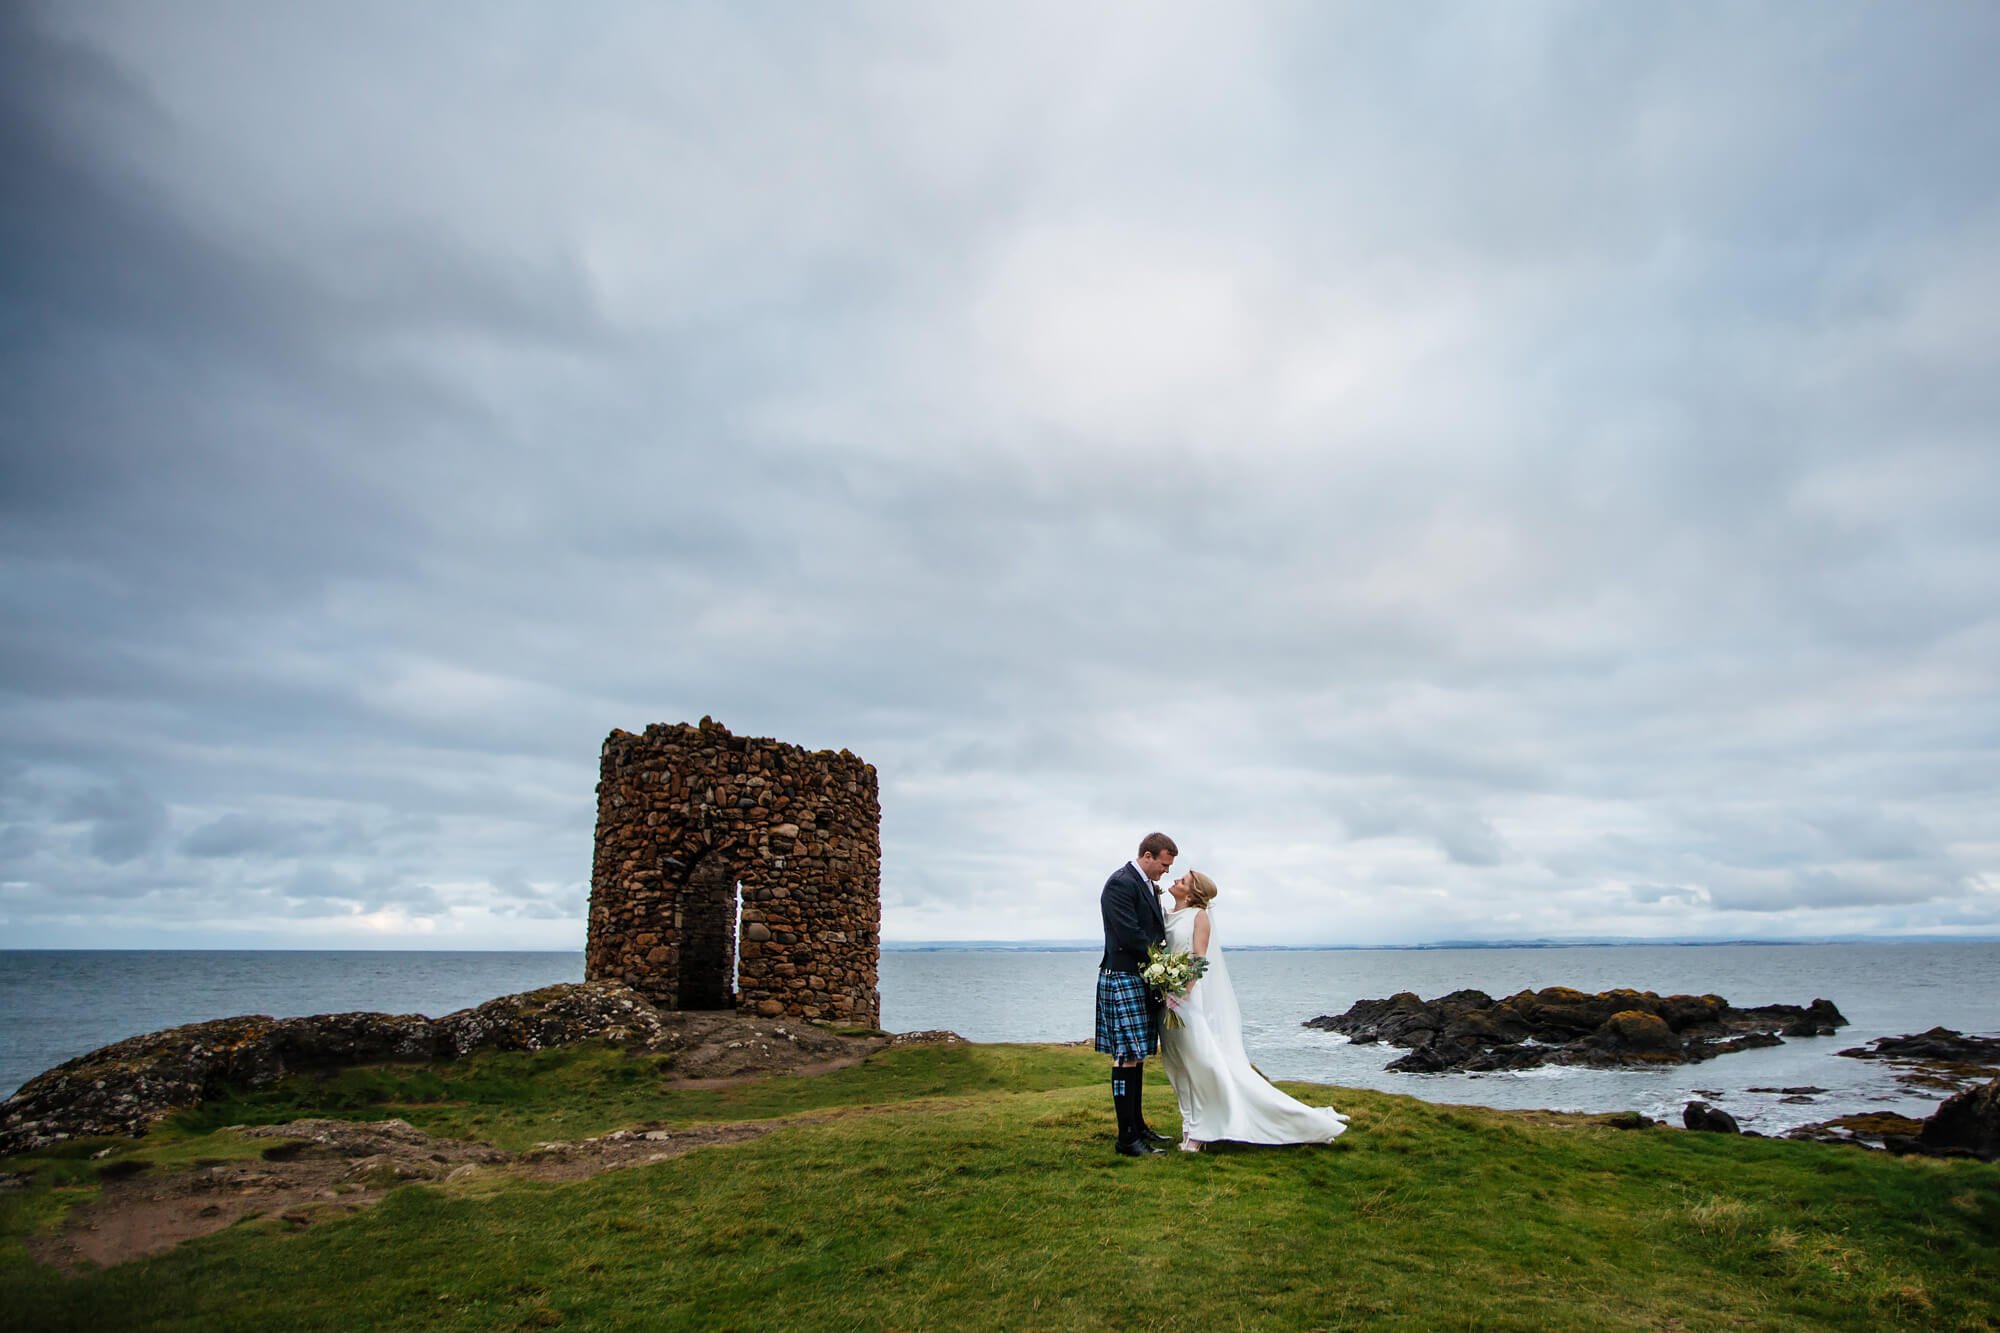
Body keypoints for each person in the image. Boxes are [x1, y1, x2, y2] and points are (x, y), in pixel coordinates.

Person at [1157, 870, 1349, 1151]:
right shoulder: (1167, 913)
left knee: (1203, 1065)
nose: (1175, 881)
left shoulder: (1199, 917)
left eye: (1182, 881)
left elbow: (1199, 959)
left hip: (1185, 1002)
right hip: (1166, 1000)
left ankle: (1203, 1131)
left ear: (1191, 893)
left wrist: (1183, 992)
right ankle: (1190, 1124)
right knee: (1177, 1065)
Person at [1097, 832, 1177, 1156]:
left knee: (1137, 1054)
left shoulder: (1144, 884)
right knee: (1126, 1055)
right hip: (1123, 976)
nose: (1166, 871)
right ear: (1147, 855)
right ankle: (1126, 1138)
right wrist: (1162, 964)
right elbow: (1130, 934)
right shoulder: (1121, 883)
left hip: (1139, 977)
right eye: (1164, 863)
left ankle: (1138, 1126)